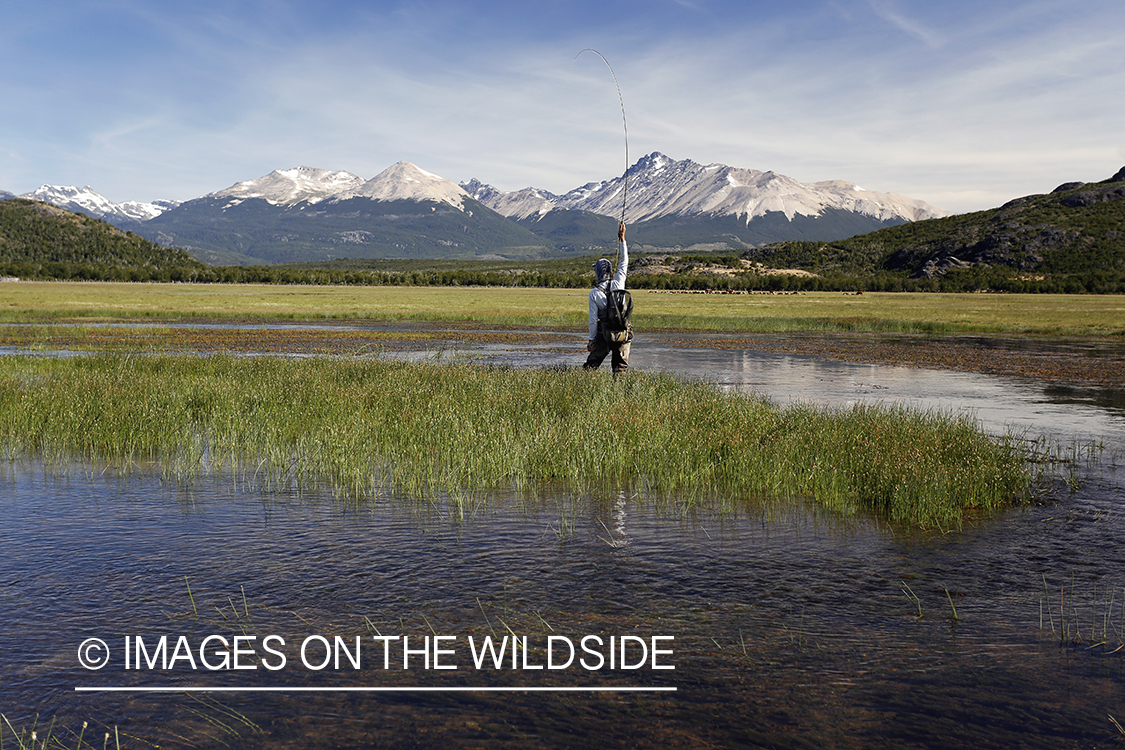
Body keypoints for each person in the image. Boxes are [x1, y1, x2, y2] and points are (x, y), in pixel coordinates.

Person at [584, 221, 631, 374]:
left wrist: (591, 340)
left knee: (591, 365)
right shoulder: (619, 281)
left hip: (604, 334)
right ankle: (620, 393)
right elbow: (624, 261)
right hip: (623, 331)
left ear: (598, 273)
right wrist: (622, 238)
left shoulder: (594, 293)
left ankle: (582, 385)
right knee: (620, 368)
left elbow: (593, 320)